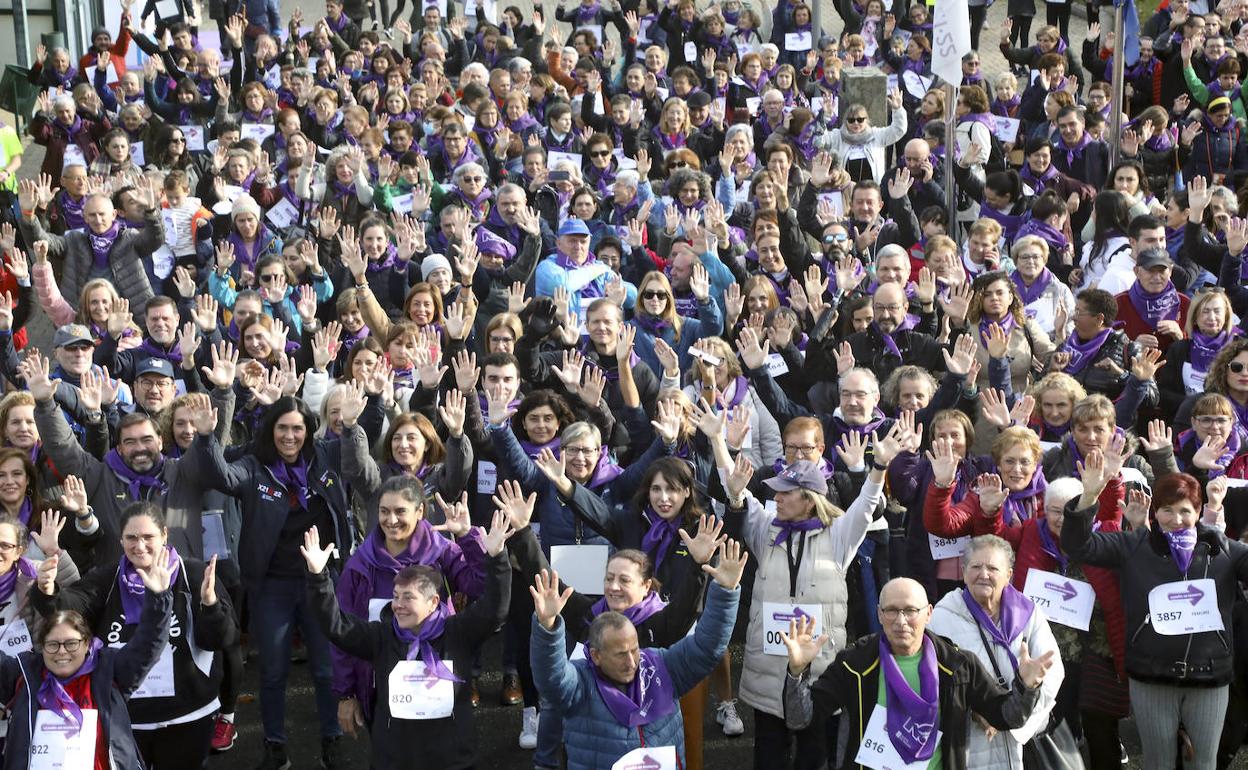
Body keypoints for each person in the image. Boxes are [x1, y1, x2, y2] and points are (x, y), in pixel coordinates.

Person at [300, 496, 514, 769]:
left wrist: (497, 559)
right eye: (395, 596)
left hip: (452, 759)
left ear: (434, 602)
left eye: (408, 598)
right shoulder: (380, 637)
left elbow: (495, 608)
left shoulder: (457, 632)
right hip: (394, 759)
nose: (397, 605)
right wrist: (318, 578)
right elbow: (335, 626)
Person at [1062, 464, 1248, 770]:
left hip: (1209, 677)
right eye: (1167, 510)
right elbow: (1078, 545)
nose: (1176, 520)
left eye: (1186, 511)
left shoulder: (1221, 548)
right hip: (1152, 676)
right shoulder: (1135, 545)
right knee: (1158, 763)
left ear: (1199, 512)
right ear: (1155, 512)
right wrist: (1089, 497)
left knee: (1203, 764)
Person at [31, 502, 236, 769]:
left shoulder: (194, 575)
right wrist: (47, 590)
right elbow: (68, 607)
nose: (140, 546)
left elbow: (222, 641)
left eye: (148, 537)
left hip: (188, 717)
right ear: (121, 540)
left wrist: (210, 606)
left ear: (164, 534)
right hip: (127, 720)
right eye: (131, 538)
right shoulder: (107, 579)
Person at [781, 576, 1057, 770]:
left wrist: (1026, 685)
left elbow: (1008, 716)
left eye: (911, 611)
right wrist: (797, 671)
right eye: (891, 611)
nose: (901, 621)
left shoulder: (958, 665)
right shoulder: (856, 663)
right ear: (878, 614)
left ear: (928, 613)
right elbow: (800, 719)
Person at [528, 536, 747, 770]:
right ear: (595, 655)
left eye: (634, 650)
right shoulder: (581, 684)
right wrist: (547, 626)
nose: (633, 661)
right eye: (621, 654)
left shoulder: (662, 665)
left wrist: (725, 591)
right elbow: (550, 677)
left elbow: (707, 647)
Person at [0, 544, 173, 768]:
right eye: (53, 644)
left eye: (71, 643)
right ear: (42, 646)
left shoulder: (110, 670)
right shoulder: (24, 675)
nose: (62, 652)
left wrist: (158, 598)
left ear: (87, 644)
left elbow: (148, 644)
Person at [927, 535, 1064, 768]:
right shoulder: (941, 618)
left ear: (1009, 574)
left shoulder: (1028, 613)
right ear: (963, 571)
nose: (984, 574)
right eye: (976, 566)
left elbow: (1053, 671)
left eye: (992, 567)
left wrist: (1017, 717)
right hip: (970, 741)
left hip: (1019, 740)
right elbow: (930, 679)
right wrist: (973, 711)